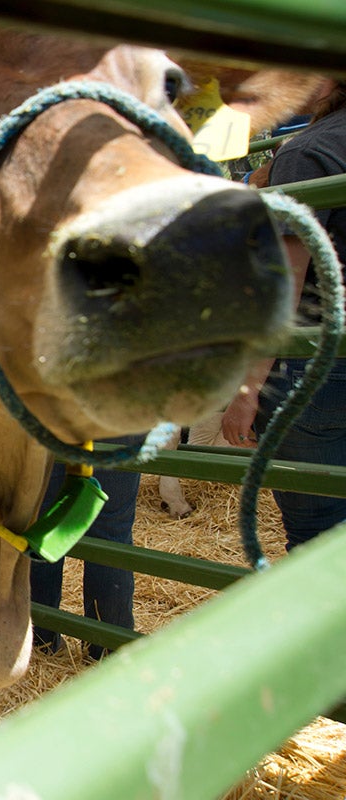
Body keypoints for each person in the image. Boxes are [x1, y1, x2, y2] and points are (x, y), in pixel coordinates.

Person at [222, 80, 346, 551]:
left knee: (317, 535)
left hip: (317, 370)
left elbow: (285, 281)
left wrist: (247, 389)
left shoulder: (312, 151)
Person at [30, 437, 142, 660]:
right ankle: (107, 648)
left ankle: (41, 643)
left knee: (45, 527)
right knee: (110, 536)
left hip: (59, 419)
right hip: (117, 424)